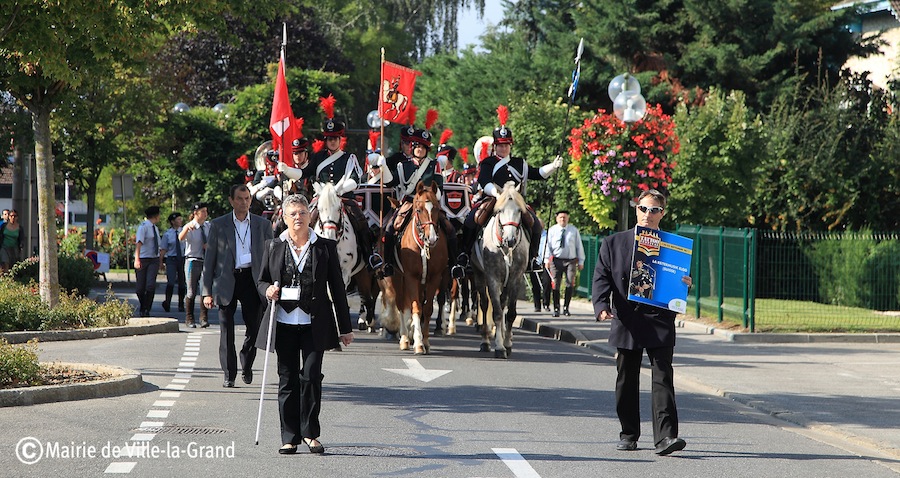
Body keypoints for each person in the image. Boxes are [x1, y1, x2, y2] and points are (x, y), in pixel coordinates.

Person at [592, 189, 692, 456]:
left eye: (655, 210)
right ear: (637, 210)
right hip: (627, 318)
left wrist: (685, 285)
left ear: (663, 213)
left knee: (663, 377)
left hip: (659, 319)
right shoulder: (613, 243)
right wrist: (601, 306)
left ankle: (666, 437)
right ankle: (629, 433)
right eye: (644, 209)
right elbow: (601, 278)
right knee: (626, 378)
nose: (649, 214)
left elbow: (678, 279)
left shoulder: (673, 247)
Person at [256, 194, 354, 455]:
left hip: (315, 323)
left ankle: (310, 433)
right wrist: (268, 291)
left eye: (302, 212)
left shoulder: (324, 247)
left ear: (310, 215)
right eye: (293, 214)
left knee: (311, 377)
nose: (298, 218)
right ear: (284, 218)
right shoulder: (273, 246)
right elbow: (262, 281)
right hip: (284, 322)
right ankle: (289, 437)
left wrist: (345, 328)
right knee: (287, 380)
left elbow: (337, 289)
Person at [277, 95, 375, 270]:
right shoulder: (318, 157)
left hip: (343, 198)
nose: (332, 141)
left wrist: (338, 190)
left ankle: (370, 256)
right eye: (329, 139)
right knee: (304, 220)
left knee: (360, 221)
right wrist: (286, 169)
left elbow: (355, 179)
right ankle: (291, 256)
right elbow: (303, 173)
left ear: (340, 139)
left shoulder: (348, 158)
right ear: (326, 140)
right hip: (320, 199)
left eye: (335, 138)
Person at [459, 105, 563, 270]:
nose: (504, 148)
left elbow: (536, 173)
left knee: (536, 224)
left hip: (515, 201)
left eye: (507, 145)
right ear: (495, 146)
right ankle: (464, 255)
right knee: (473, 219)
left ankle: (533, 259)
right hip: (494, 199)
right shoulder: (488, 163)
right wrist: (496, 193)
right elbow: (483, 181)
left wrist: (553, 166)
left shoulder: (519, 163)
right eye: (501, 145)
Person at [369, 112, 463, 279]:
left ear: (427, 149)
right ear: (413, 148)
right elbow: (391, 183)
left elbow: (439, 186)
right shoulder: (402, 166)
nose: (420, 149)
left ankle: (455, 265)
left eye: (423, 147)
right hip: (409, 202)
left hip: (430, 203)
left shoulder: (434, 165)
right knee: (390, 229)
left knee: (449, 229)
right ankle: (389, 264)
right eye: (417, 146)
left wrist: (431, 199)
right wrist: (383, 166)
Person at [202, 185, 274, 388]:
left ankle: (247, 361)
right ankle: (229, 373)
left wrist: (271, 284)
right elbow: (209, 261)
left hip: (253, 281)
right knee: (226, 329)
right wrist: (207, 292)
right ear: (231, 200)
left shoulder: (262, 224)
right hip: (227, 280)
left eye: (247, 198)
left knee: (255, 327)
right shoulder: (218, 225)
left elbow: (271, 257)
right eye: (240, 199)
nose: (244, 202)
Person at [546, 210, 585, 317]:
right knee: (555, 284)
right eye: (560, 217)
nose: (563, 219)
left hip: (570, 261)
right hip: (556, 260)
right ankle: (556, 308)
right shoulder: (552, 230)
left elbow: (579, 246)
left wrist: (581, 260)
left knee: (570, 282)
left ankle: (566, 307)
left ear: (568, 218)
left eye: (565, 217)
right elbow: (548, 246)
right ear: (557, 219)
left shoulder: (573, 230)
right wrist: (546, 260)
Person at [179, 202, 210, 328]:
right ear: (196, 213)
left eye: (206, 211)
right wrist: (186, 229)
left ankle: (203, 318)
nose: (205, 214)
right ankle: (189, 318)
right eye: (203, 211)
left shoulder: (208, 226)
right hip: (193, 260)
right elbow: (180, 238)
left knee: (205, 289)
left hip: (205, 260)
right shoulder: (190, 226)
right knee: (191, 291)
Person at [134, 206, 162, 317]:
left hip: (153, 259)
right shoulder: (143, 227)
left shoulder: (155, 228)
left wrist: (160, 261)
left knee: (150, 285)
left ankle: (146, 309)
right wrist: (137, 259)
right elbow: (139, 243)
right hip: (143, 259)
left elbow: (158, 246)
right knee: (140, 289)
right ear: (155, 215)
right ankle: (143, 304)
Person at [160, 212, 187, 313]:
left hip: (182, 258)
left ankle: (181, 303)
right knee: (171, 281)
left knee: (182, 283)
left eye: (181, 219)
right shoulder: (168, 234)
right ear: (172, 221)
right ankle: (167, 302)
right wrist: (161, 262)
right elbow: (163, 249)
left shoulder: (184, 231)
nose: (180, 221)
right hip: (171, 259)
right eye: (178, 219)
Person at [0, 210, 23, 274]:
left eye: (14, 216)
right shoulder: (4, 226)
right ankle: (5, 277)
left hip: (14, 248)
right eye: (11, 216)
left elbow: (21, 238)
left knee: (13, 264)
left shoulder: (19, 228)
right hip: (4, 247)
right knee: (5, 262)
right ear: (9, 217)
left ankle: (12, 278)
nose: (13, 217)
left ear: (17, 217)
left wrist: (21, 246)